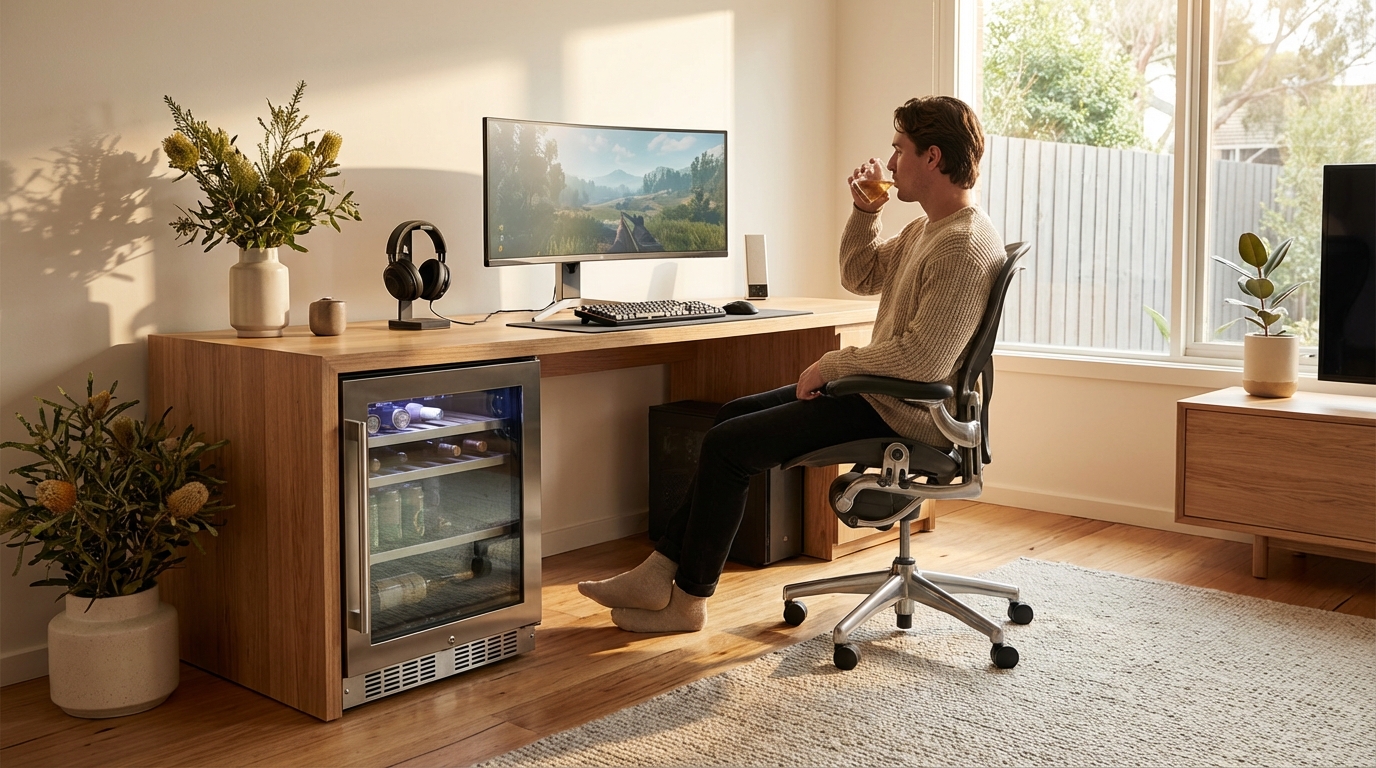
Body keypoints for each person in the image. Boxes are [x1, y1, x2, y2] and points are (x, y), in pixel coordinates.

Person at [577, 95, 1006, 633]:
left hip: (904, 410)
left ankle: (688, 600)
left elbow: (923, 359)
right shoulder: (928, 230)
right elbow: (861, 275)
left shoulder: (963, 245)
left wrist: (831, 365)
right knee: (728, 416)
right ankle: (661, 570)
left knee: (730, 448)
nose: (891, 164)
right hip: (883, 394)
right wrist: (865, 211)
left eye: (899, 151)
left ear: (933, 158)